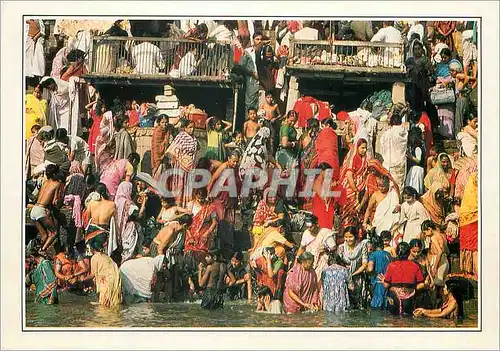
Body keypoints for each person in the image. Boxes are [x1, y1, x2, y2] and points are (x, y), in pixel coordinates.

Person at [378, 242, 426, 316]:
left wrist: (384, 280)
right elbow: (421, 284)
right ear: (408, 253)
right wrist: (410, 289)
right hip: (409, 299)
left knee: (393, 319)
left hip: (394, 298)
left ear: (397, 252)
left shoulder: (391, 265)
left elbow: (386, 285)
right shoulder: (415, 266)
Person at [29, 164, 64, 254]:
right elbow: (54, 201)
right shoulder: (57, 184)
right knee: (54, 233)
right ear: (55, 174)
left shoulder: (45, 182)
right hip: (41, 210)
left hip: (34, 209)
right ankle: (42, 250)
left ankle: (36, 252)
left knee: (44, 235)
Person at [165, 119, 198, 207]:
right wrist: (176, 159)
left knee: (188, 185)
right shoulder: (181, 136)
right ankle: (177, 205)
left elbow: (195, 152)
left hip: (190, 166)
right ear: (185, 128)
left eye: (193, 128)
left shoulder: (194, 139)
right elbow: (172, 149)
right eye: (190, 127)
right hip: (180, 165)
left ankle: (186, 205)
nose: (192, 129)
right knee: (180, 185)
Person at [250, 188, 294, 254]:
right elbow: (258, 219)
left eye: (274, 196)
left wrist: (270, 222)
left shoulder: (279, 203)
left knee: (272, 233)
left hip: (277, 225)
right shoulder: (262, 204)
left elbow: (281, 218)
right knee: (256, 231)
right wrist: (263, 225)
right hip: (264, 225)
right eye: (270, 197)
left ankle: (288, 246)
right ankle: (256, 247)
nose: (273, 198)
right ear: (266, 197)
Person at [339, 138, 369, 228]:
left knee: (357, 211)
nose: (364, 150)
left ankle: (355, 230)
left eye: (365, 148)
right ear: (357, 147)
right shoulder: (353, 158)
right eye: (362, 148)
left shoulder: (363, 158)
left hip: (359, 187)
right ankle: (345, 228)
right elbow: (349, 175)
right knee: (348, 210)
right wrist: (355, 190)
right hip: (350, 188)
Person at [380, 103, 410, 191]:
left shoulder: (386, 134)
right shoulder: (402, 132)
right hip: (399, 163)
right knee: (399, 186)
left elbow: (382, 148)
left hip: (388, 163)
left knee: (388, 187)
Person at [296, 215, 336, 281]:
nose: (309, 229)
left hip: (323, 261)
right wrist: (297, 260)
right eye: (307, 227)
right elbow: (302, 248)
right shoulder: (306, 233)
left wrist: (326, 249)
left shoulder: (325, 233)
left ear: (316, 224)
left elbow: (334, 248)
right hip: (308, 261)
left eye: (311, 227)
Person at [114, 181, 146, 264]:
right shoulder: (128, 203)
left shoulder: (117, 200)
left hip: (118, 230)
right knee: (128, 254)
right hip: (129, 230)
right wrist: (144, 202)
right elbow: (139, 215)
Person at [337, 227, 368, 309]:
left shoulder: (362, 246)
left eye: (350, 237)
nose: (348, 239)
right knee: (346, 305)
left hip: (357, 278)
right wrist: (347, 277)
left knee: (358, 306)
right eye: (346, 237)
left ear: (356, 236)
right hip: (344, 280)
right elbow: (339, 264)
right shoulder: (341, 248)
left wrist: (353, 274)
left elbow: (364, 264)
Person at [85, 183, 117, 258]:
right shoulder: (112, 204)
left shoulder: (91, 203)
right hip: (102, 231)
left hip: (91, 229)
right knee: (101, 255)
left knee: (90, 254)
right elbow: (113, 218)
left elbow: (87, 218)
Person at [86, 242, 122, 307]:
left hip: (106, 280)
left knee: (104, 307)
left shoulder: (94, 257)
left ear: (92, 249)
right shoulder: (106, 256)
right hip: (116, 279)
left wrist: (82, 280)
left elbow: (92, 275)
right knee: (114, 304)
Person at [458, 172, 478, 277]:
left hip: (468, 219)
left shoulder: (472, 180)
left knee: (472, 248)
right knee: (474, 248)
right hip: (473, 218)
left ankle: (470, 271)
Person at [422, 220, 450, 292]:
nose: (425, 235)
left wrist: (435, 267)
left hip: (439, 261)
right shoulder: (442, 235)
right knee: (441, 285)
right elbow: (447, 251)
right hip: (445, 260)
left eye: (425, 233)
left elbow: (439, 252)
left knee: (435, 285)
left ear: (429, 229)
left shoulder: (433, 237)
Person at [405, 40, 432, 113]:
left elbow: (430, 71)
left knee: (423, 107)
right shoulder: (409, 60)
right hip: (412, 87)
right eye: (415, 49)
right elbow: (406, 71)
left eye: (418, 49)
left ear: (422, 50)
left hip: (423, 86)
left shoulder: (425, 59)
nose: (417, 51)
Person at [366, 235, 392, 309]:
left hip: (378, 284)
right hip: (387, 283)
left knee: (376, 307)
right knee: (386, 306)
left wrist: (366, 269)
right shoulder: (388, 254)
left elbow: (370, 269)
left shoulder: (373, 255)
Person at [240, 33, 263, 112]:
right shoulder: (248, 52)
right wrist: (252, 74)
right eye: (257, 39)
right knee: (249, 104)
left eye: (261, 39)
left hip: (262, 82)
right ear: (253, 40)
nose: (259, 41)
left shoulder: (265, 51)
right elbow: (242, 66)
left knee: (261, 105)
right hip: (251, 81)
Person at [405, 127, 426, 195]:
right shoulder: (420, 147)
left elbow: (418, 160)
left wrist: (410, 156)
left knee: (415, 187)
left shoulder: (418, 148)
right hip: (416, 169)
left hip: (417, 169)